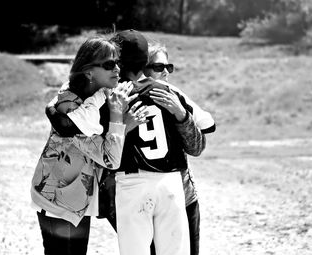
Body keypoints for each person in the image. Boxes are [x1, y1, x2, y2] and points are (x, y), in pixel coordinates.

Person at [46, 29, 211, 255]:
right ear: (144, 63)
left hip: (132, 183)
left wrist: (51, 109)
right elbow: (208, 124)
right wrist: (181, 113)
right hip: (171, 182)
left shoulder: (107, 95)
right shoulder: (169, 91)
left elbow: (69, 126)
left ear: (119, 62)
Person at [30, 37, 145, 255]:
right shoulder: (71, 106)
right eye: (109, 64)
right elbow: (109, 158)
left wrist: (121, 123)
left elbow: (100, 148)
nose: (118, 69)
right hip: (59, 198)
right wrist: (118, 119)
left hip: (74, 195)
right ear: (89, 72)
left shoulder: (98, 95)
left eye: (117, 62)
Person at [143, 42, 216, 255]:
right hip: (145, 199)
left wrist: (181, 114)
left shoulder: (175, 97)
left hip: (183, 196)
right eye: (158, 67)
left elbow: (197, 146)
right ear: (142, 68)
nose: (165, 71)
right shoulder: (123, 99)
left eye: (169, 67)